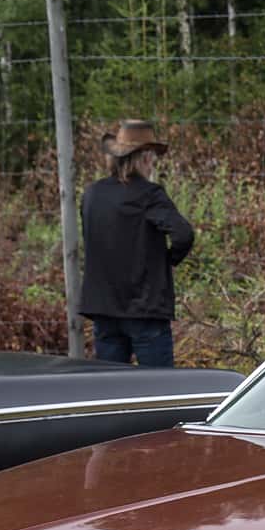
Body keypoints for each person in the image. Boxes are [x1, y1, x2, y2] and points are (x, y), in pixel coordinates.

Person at [79, 120, 195, 366]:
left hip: (104, 308)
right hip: (145, 308)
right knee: (158, 385)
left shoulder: (92, 195)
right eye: (152, 157)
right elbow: (183, 234)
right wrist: (167, 261)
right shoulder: (149, 194)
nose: (153, 163)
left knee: (111, 385)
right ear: (144, 158)